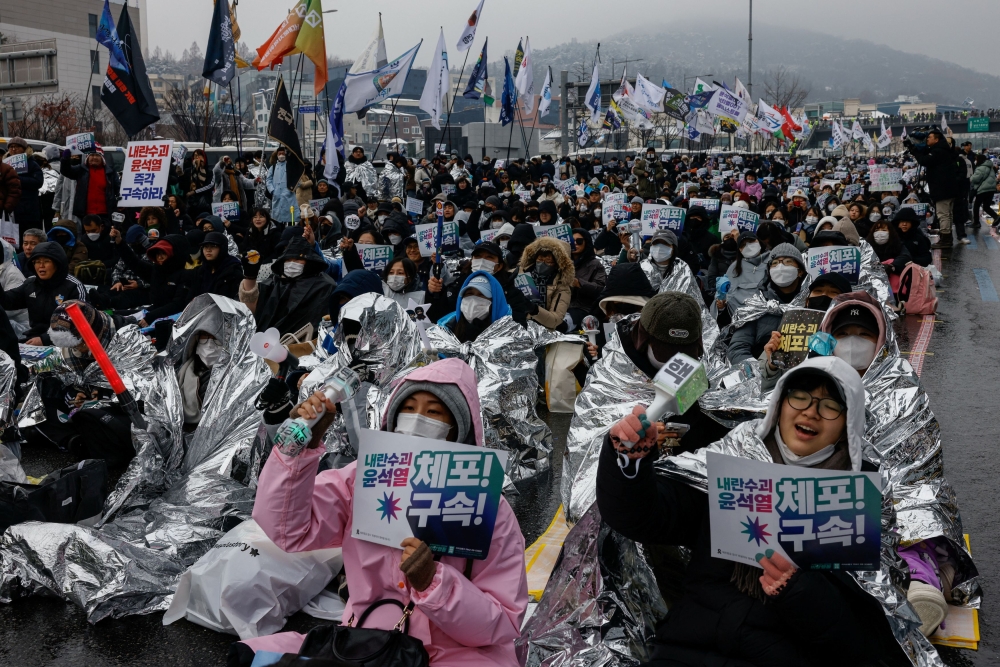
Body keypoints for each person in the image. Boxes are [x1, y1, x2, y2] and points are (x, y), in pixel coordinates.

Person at [598, 356, 902, 667]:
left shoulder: (858, 500)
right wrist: (627, 465)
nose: (811, 411)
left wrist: (798, 589)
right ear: (779, 404)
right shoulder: (731, 459)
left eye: (830, 404)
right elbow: (643, 517)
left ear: (847, 424)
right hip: (687, 645)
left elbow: (863, 641)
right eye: (799, 396)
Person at [243, 358, 528, 666]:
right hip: (369, 641)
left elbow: (503, 621)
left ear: (457, 427)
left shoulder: (487, 508)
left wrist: (435, 583)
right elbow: (287, 530)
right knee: (252, 656)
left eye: (433, 412)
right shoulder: (359, 481)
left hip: (457, 652)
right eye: (408, 408)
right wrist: (300, 453)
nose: (417, 420)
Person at [22, 301, 138, 465]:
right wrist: (76, 395)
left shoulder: (128, 341)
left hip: (119, 407)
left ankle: (77, 439)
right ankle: (74, 440)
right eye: (71, 345)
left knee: (110, 422)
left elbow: (140, 394)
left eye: (81, 343)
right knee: (41, 393)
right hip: (85, 406)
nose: (78, 349)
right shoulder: (71, 347)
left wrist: (100, 400)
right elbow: (66, 375)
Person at [759, 273, 853, 391]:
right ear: (807, 300)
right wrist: (772, 366)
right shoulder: (791, 327)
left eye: (834, 292)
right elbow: (762, 386)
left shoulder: (851, 333)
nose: (824, 295)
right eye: (818, 291)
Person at [727, 244, 808, 365]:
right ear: (769, 271)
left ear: (800, 271)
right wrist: (761, 371)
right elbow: (737, 349)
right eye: (775, 263)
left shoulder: (811, 302)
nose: (780, 267)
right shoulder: (757, 304)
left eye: (787, 262)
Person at [241, 235, 336, 338]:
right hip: (266, 344)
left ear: (309, 261)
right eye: (288, 259)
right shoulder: (274, 282)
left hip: (303, 347)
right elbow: (251, 311)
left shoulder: (324, 286)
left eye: (298, 259)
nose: (292, 263)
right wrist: (250, 277)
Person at [0, 240, 86, 344]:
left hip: (66, 343)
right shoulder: (30, 284)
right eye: (37, 262)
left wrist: (45, 339)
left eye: (46, 261)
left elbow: (80, 322)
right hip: (33, 339)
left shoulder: (73, 286)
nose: (41, 266)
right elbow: (7, 301)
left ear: (57, 263)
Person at [109, 229, 192, 327]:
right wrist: (119, 242)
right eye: (157, 254)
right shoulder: (157, 271)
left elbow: (177, 305)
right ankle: (103, 306)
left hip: (173, 318)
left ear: (175, 255)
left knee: (126, 322)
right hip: (154, 310)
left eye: (163, 253)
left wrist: (151, 316)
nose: (159, 257)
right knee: (113, 316)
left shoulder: (185, 275)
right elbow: (134, 263)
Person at [905, 127, 962, 247]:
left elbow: (924, 160)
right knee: (948, 214)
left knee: (943, 214)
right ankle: (947, 237)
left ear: (936, 140)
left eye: (929, 137)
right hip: (948, 188)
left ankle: (946, 239)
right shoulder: (943, 149)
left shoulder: (938, 151)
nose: (927, 140)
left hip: (943, 189)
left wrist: (914, 149)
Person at [518, 236, 575, 331]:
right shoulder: (519, 275)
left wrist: (534, 309)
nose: (542, 264)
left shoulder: (562, 287)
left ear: (558, 265)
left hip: (542, 333)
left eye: (548, 261)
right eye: (540, 260)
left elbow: (555, 320)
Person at [438, 272, 511, 344]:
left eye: (481, 294)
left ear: (494, 301)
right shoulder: (446, 328)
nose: (473, 300)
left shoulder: (509, 333)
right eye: (469, 294)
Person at [59, 150, 119, 221]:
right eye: (92, 155)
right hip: (86, 213)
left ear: (102, 158)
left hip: (105, 213)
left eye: (97, 155)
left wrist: (121, 203)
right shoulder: (81, 169)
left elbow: (118, 188)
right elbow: (66, 171)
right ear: (87, 157)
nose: (94, 157)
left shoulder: (110, 172)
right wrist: (65, 159)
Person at [720, 231, 769, 316]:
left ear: (758, 241)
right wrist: (721, 304)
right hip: (741, 315)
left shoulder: (773, 260)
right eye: (743, 245)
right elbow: (725, 293)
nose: (748, 246)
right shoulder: (734, 267)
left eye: (751, 242)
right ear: (739, 249)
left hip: (768, 313)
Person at [567, 227, 607, 328]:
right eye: (572, 241)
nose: (575, 243)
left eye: (579, 241)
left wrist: (579, 283)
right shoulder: (561, 263)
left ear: (587, 243)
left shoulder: (595, 264)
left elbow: (600, 289)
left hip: (584, 310)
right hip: (560, 308)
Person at [5, 137, 44, 232]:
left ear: (24, 148)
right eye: (11, 147)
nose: (13, 149)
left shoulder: (31, 163)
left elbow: (38, 182)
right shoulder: (5, 164)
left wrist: (18, 179)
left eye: (17, 147)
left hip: (28, 209)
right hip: (10, 208)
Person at [191, 231, 243, 300]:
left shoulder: (233, 270)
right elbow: (191, 297)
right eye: (205, 246)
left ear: (222, 248)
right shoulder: (200, 271)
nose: (208, 250)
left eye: (213, 246)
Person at [266, 147, 297, 224]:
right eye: (279, 154)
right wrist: (272, 190)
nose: (281, 155)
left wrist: (291, 189)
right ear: (277, 155)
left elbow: (296, 179)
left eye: (283, 153)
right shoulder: (273, 168)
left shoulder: (291, 167)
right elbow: (268, 180)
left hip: (289, 196)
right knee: (277, 219)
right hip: (277, 196)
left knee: (290, 218)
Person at [970, 153, 998, 227]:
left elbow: (975, 179)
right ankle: (996, 216)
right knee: (986, 206)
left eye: (976, 159)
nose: (975, 161)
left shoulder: (980, 168)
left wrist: (971, 178)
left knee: (976, 206)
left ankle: (976, 222)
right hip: (991, 189)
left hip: (983, 189)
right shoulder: (990, 167)